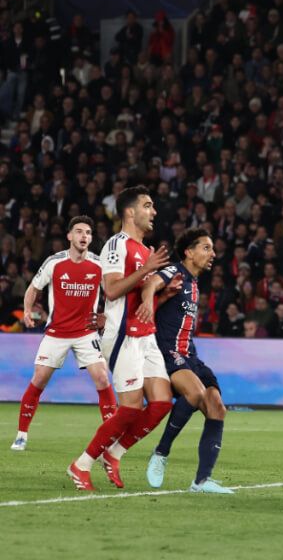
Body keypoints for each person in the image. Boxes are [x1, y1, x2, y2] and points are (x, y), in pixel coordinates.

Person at [68, 186, 175, 491]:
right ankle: (81, 464)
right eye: (147, 205)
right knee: (129, 408)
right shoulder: (118, 244)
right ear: (130, 212)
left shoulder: (144, 250)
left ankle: (114, 454)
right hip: (123, 335)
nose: (153, 212)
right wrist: (149, 270)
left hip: (146, 334)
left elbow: (142, 301)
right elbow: (112, 290)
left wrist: (163, 292)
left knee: (161, 403)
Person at [140, 228, 233, 494]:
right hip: (168, 350)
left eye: (212, 248)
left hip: (190, 354)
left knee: (217, 407)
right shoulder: (175, 272)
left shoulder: (193, 282)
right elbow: (150, 284)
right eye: (206, 248)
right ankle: (160, 453)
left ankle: (201, 482)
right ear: (189, 252)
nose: (212, 254)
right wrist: (148, 303)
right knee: (195, 393)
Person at [11, 217, 115, 451]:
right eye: (79, 232)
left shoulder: (99, 265)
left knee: (102, 378)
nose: (84, 236)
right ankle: (21, 435)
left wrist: (106, 316)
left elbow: (113, 294)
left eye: (88, 232)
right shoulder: (54, 262)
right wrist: (27, 310)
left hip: (87, 333)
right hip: (57, 332)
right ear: (69, 236)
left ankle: (111, 437)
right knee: (39, 379)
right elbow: (33, 288)